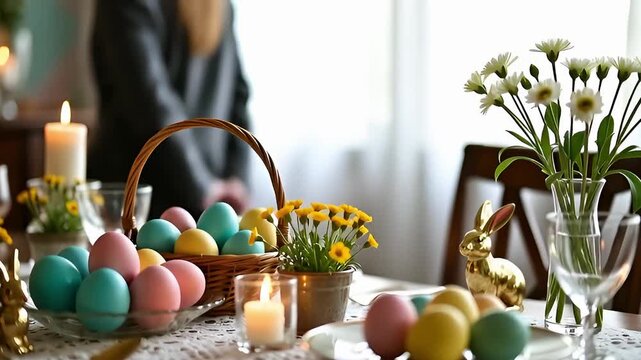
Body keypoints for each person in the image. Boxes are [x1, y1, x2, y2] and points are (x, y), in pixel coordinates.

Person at [88, 0, 251, 219]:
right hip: (199, 202)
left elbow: (147, 99)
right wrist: (227, 184)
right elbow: (238, 95)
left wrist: (224, 184)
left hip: (137, 203)